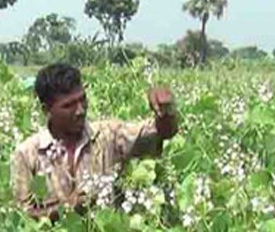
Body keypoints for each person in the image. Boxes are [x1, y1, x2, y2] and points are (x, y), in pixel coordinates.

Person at [11, 63, 179, 220]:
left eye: (82, 99)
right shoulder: (27, 154)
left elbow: (161, 133)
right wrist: (69, 208)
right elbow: (23, 217)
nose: (80, 110)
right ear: (46, 110)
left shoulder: (108, 135)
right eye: (68, 105)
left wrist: (166, 112)